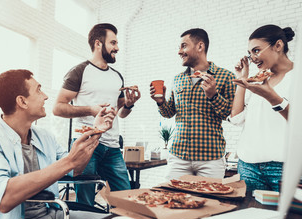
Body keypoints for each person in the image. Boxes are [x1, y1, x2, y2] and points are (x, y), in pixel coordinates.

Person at [0, 69, 116, 219]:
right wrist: (69, 161)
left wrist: (97, 131)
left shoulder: (44, 136)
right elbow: (4, 198)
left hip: (52, 212)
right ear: (22, 101)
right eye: (39, 90)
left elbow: (75, 169)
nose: (46, 96)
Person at [53, 23, 140, 206]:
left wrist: (129, 105)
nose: (117, 48)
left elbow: (120, 114)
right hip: (87, 144)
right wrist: (91, 110)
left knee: (126, 198)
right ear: (99, 44)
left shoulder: (117, 76)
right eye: (113, 42)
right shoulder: (79, 71)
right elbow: (58, 108)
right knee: (85, 203)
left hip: (113, 147)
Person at [150, 28, 236, 180]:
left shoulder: (226, 76)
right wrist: (161, 102)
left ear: (200, 46)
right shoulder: (178, 79)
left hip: (211, 159)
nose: (179, 52)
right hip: (178, 157)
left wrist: (213, 95)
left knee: (208, 202)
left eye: (184, 46)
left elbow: (231, 115)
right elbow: (169, 113)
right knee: (172, 200)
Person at [228, 25, 294, 191]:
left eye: (256, 50)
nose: (253, 58)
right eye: (250, 53)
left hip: (284, 168)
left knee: (288, 217)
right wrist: (242, 80)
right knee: (252, 216)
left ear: (278, 46)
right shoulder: (259, 80)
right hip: (248, 167)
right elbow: (236, 118)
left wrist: (271, 97)